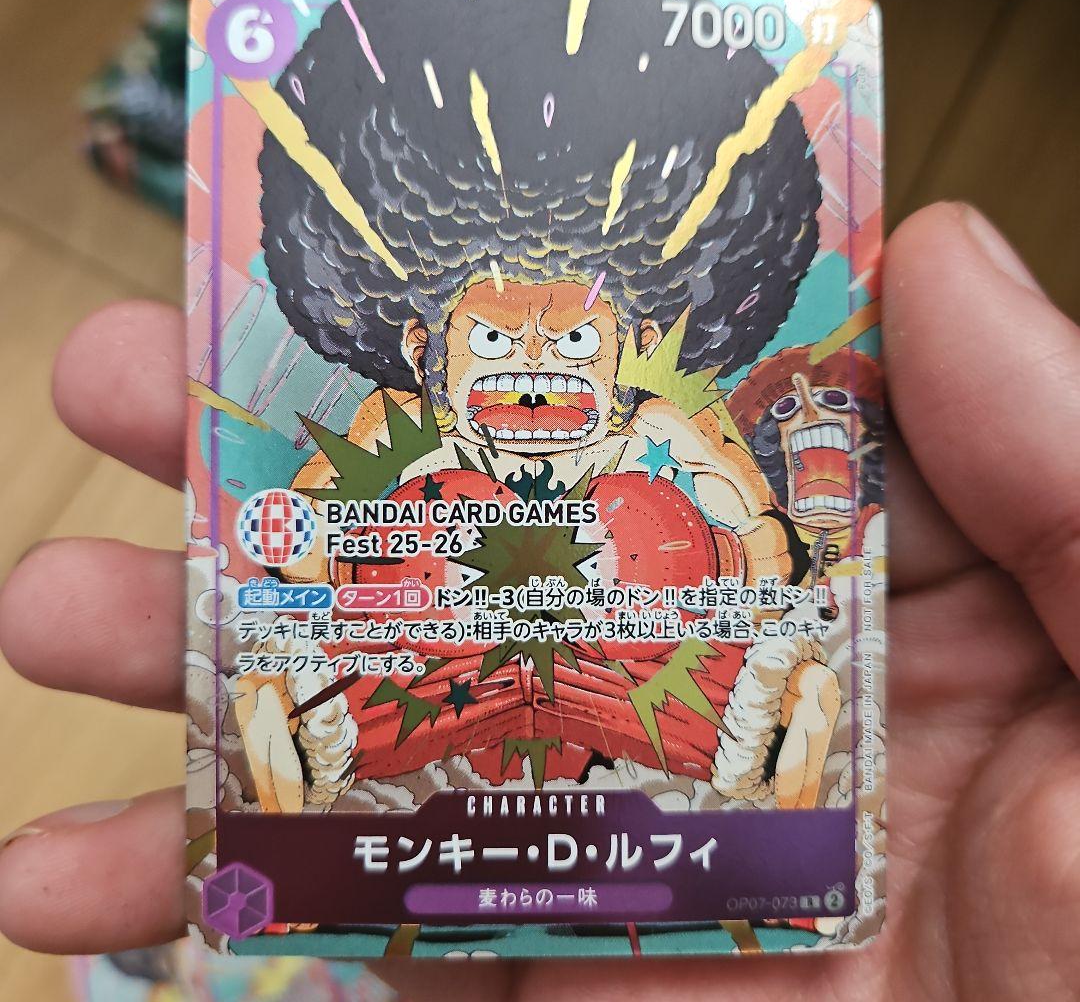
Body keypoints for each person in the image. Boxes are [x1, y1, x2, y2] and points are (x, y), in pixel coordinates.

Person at [0, 202, 1077, 1000]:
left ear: (621, 357)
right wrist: (326, 587)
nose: (531, 368)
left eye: (567, 347)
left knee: (672, 571)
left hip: (632, 670)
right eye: (495, 344)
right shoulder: (403, 439)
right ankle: (322, 741)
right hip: (446, 677)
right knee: (369, 640)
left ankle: (754, 736)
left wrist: (749, 576)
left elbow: (750, 525)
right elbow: (312, 535)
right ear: (430, 355)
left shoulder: (653, 436)